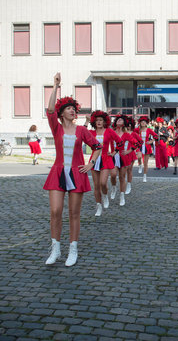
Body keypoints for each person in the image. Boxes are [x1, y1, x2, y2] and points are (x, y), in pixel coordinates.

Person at [43, 73, 102, 267]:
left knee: (74, 214)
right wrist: (55, 86)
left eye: (73, 109)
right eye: (68, 108)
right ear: (61, 113)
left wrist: (91, 164)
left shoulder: (82, 131)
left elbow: (97, 147)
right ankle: (56, 249)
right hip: (58, 172)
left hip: (77, 173)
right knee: (55, 211)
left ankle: (73, 249)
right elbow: (50, 109)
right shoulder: (56, 128)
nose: (72, 111)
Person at [84, 110, 123, 216]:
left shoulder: (109, 131)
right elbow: (81, 135)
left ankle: (105, 196)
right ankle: (99, 206)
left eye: (101, 120)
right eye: (97, 120)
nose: (99, 122)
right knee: (96, 186)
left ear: (104, 121)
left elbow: (120, 142)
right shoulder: (91, 133)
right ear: (94, 122)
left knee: (103, 183)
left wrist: (115, 152)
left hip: (106, 159)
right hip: (94, 160)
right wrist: (86, 122)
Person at [109, 114, 141, 206]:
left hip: (124, 157)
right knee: (113, 175)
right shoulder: (111, 132)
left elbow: (137, 143)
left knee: (122, 177)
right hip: (113, 157)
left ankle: (122, 196)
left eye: (121, 120)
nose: (119, 120)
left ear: (124, 123)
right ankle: (114, 187)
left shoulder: (127, 134)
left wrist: (129, 151)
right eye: (117, 119)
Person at [134, 116, 158, 182]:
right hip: (139, 146)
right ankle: (139, 165)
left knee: (146, 163)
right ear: (140, 123)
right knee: (139, 157)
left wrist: (151, 141)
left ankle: (144, 176)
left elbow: (156, 136)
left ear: (146, 123)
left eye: (144, 122)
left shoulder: (149, 130)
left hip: (147, 146)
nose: (143, 123)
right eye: (142, 122)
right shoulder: (137, 129)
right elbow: (132, 134)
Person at [125, 116, 143, 195]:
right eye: (127, 124)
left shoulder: (134, 134)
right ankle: (123, 184)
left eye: (130, 124)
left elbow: (141, 141)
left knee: (129, 169)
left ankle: (129, 185)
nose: (128, 126)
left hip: (131, 153)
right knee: (122, 171)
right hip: (122, 154)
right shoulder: (123, 133)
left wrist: (136, 149)